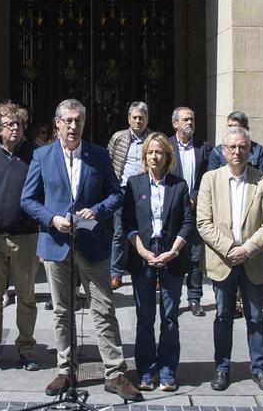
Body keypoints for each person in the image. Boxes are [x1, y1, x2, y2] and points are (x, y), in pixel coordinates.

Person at [20, 98, 142, 402]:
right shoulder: (42, 156)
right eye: (68, 121)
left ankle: (114, 373)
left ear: (84, 124)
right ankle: (66, 370)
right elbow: (28, 199)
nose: (73, 126)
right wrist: (51, 219)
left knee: (103, 309)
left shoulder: (98, 156)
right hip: (57, 244)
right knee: (62, 312)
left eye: (78, 121)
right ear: (58, 123)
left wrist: (97, 211)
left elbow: (116, 195)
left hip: (92, 245)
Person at [197, 125, 263, 393]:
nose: (237, 151)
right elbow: (203, 222)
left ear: (250, 149)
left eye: (242, 146)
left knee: (256, 318)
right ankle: (221, 368)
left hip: (253, 260)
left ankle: (259, 368)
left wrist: (247, 249)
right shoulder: (210, 179)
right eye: (232, 147)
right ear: (223, 150)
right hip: (223, 260)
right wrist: (231, 248)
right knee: (223, 317)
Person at [122, 131, 192, 392]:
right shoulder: (134, 184)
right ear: (144, 156)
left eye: (159, 152)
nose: (154, 156)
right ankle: (147, 371)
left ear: (167, 156)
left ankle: (167, 370)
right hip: (144, 254)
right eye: (150, 152)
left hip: (171, 253)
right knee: (145, 316)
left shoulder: (179, 185)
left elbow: (188, 222)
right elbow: (127, 222)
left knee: (170, 316)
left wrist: (173, 251)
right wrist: (140, 249)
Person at [0, 101, 40, 371]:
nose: (15, 128)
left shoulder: (35, 154)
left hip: (26, 237)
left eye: (19, 124)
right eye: (9, 124)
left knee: (26, 297)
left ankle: (26, 349)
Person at [106, 101, 150, 289]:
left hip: (146, 190)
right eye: (135, 117)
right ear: (129, 119)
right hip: (122, 190)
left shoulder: (154, 138)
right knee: (119, 233)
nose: (138, 121)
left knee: (147, 232)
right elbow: (108, 161)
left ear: (147, 119)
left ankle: (149, 269)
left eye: (141, 117)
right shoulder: (119, 137)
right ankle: (115, 273)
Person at [170, 106, 209, 316]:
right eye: (185, 119)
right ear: (175, 123)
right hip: (173, 211)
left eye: (192, 119)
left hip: (194, 209)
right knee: (174, 254)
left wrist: (194, 195)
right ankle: (173, 299)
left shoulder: (204, 147)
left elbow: (207, 176)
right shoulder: (166, 145)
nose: (189, 123)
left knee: (195, 256)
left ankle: (194, 298)